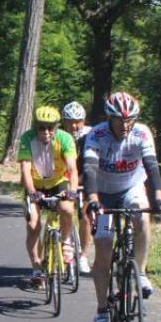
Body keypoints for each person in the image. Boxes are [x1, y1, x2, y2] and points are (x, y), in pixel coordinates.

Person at [81, 91, 161, 322]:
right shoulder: (96, 135)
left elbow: (152, 166)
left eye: (130, 119)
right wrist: (92, 201)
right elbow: (89, 169)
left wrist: (160, 199)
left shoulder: (142, 133)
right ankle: (102, 311)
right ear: (109, 119)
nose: (126, 125)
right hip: (102, 192)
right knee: (103, 250)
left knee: (142, 217)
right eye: (120, 120)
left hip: (131, 187)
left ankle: (140, 272)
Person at [18, 104, 79, 289]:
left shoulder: (65, 138)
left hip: (57, 183)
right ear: (35, 127)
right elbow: (25, 170)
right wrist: (31, 192)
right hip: (35, 185)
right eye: (41, 127)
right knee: (33, 224)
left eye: (50, 127)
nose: (46, 132)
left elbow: (72, 168)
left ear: (56, 127)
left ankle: (66, 240)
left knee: (67, 209)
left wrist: (73, 190)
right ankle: (36, 266)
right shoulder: (27, 138)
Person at [61, 101, 92, 267]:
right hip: (64, 178)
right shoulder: (57, 135)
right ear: (64, 121)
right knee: (64, 211)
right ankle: (62, 244)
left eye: (78, 121)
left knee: (86, 216)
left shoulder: (91, 135)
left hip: (84, 177)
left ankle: (83, 256)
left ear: (84, 120)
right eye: (70, 121)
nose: (74, 125)